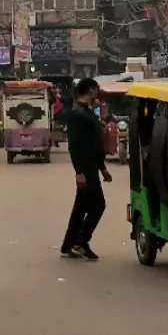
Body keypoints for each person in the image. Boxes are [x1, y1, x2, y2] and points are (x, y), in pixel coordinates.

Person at [60, 77, 110, 260]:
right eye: (96, 89)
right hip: (86, 169)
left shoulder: (88, 112)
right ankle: (81, 242)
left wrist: (103, 168)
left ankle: (68, 245)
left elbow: (95, 144)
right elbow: (75, 146)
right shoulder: (77, 115)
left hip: (93, 167)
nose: (97, 92)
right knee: (98, 205)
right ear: (90, 91)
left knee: (81, 207)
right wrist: (79, 172)